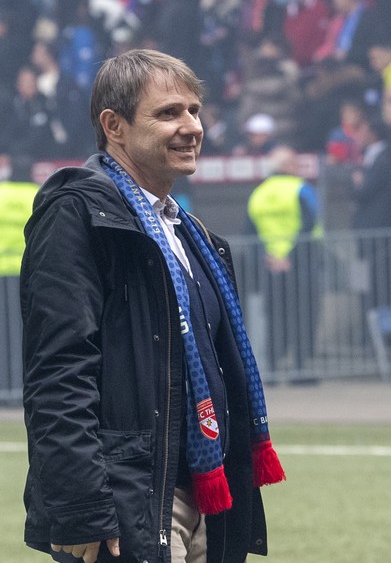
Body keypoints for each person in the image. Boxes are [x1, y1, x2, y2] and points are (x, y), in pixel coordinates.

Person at [20, 49, 285, 563]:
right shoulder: (78, 216)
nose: (191, 127)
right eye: (168, 113)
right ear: (113, 126)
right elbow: (58, 374)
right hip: (129, 500)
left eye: (194, 110)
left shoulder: (191, 232)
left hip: (207, 492)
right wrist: (81, 507)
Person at [247, 145, 324, 376]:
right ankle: (301, 367)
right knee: (304, 314)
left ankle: (272, 367)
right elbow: (309, 225)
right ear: (285, 167)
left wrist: (268, 257)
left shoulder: (258, 193)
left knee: (275, 317)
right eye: (294, 162)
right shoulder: (301, 189)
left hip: (270, 266)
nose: (298, 166)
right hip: (302, 264)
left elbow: (249, 233)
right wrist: (289, 257)